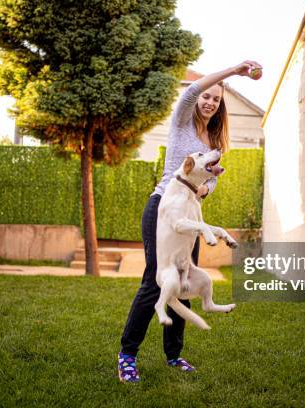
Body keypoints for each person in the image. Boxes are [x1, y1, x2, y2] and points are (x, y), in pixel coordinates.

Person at [118, 61, 263, 383]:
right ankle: (127, 356)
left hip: (189, 214)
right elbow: (194, 88)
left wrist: (205, 188)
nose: (210, 102)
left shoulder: (212, 144)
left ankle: (173, 355)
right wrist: (234, 71)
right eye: (207, 97)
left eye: (216, 99)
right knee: (153, 281)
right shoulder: (181, 122)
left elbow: (210, 183)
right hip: (162, 208)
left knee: (182, 282)